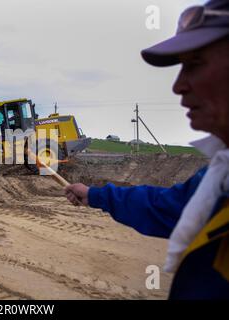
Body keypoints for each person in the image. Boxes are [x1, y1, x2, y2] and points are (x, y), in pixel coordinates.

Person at [65, 0, 229, 299]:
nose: (178, 86)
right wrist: (95, 195)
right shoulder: (218, 179)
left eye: (195, 64)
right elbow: (169, 208)